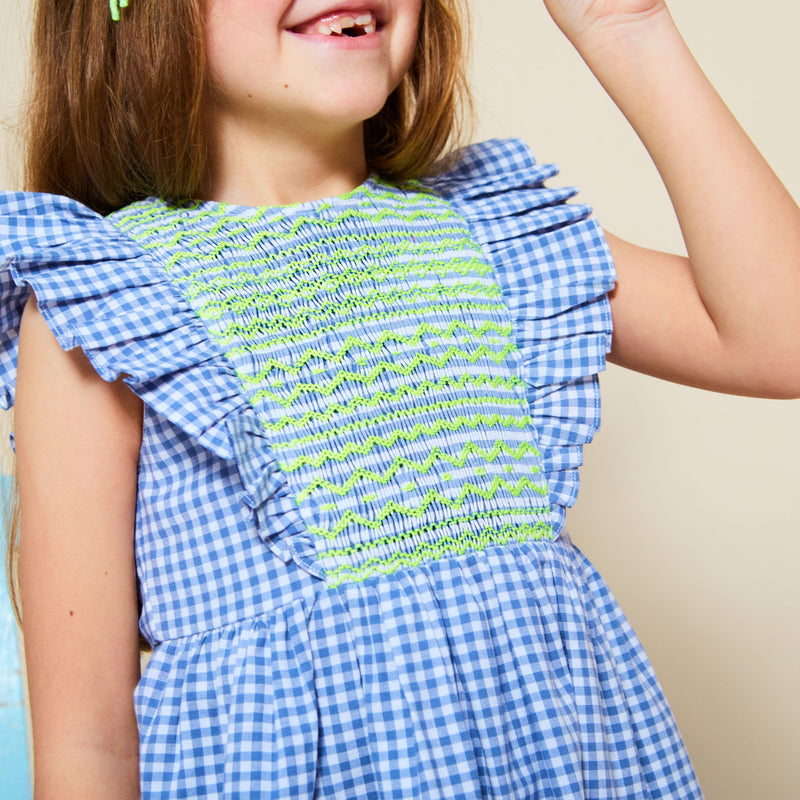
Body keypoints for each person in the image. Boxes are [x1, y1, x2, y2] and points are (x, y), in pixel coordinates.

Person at [1, 0, 798, 797]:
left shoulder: (497, 233)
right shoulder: (106, 301)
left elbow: (780, 340)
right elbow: (88, 750)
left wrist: (628, 27)